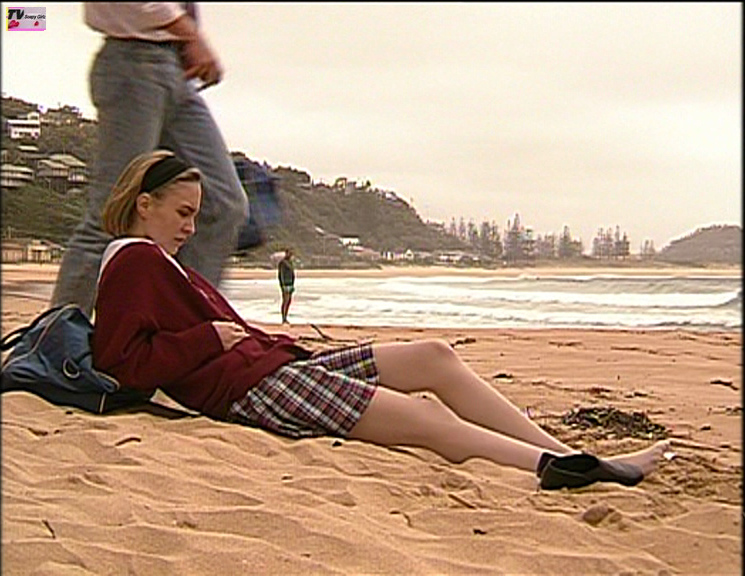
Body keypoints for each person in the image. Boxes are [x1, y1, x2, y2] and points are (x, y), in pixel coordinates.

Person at [92, 150, 672, 491]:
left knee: (433, 356)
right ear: (145, 204)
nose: (190, 227)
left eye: (195, 215)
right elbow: (122, 364)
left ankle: (572, 454)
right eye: (182, 213)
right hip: (252, 389)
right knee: (426, 418)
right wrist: (206, 338)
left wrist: (228, 339)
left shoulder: (155, 260)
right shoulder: (133, 262)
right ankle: (558, 469)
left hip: (276, 367)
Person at [51, 2, 248, 317]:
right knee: (111, 217)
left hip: (176, 68)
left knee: (223, 205)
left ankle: (181, 326)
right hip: (132, 61)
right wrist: (191, 35)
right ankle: (55, 338)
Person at [278, 248, 295, 324]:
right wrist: (282, 285)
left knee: (289, 301)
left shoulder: (290, 262)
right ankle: (283, 318)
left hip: (290, 283)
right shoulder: (283, 263)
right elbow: (281, 274)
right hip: (285, 284)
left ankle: (286, 316)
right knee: (285, 300)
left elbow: (292, 273)